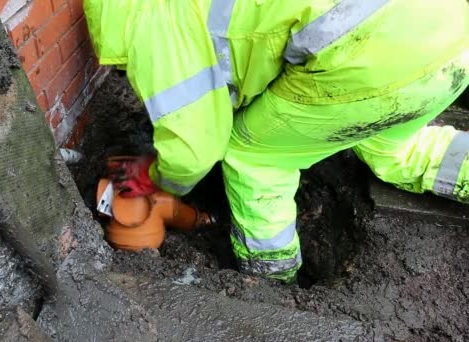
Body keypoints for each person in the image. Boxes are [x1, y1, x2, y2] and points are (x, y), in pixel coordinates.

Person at [84, 0, 469, 282]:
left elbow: (195, 146)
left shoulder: (149, 22)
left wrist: (151, 176)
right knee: (392, 148)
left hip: (369, 52)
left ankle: (269, 277)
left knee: (252, 153)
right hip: (449, 36)